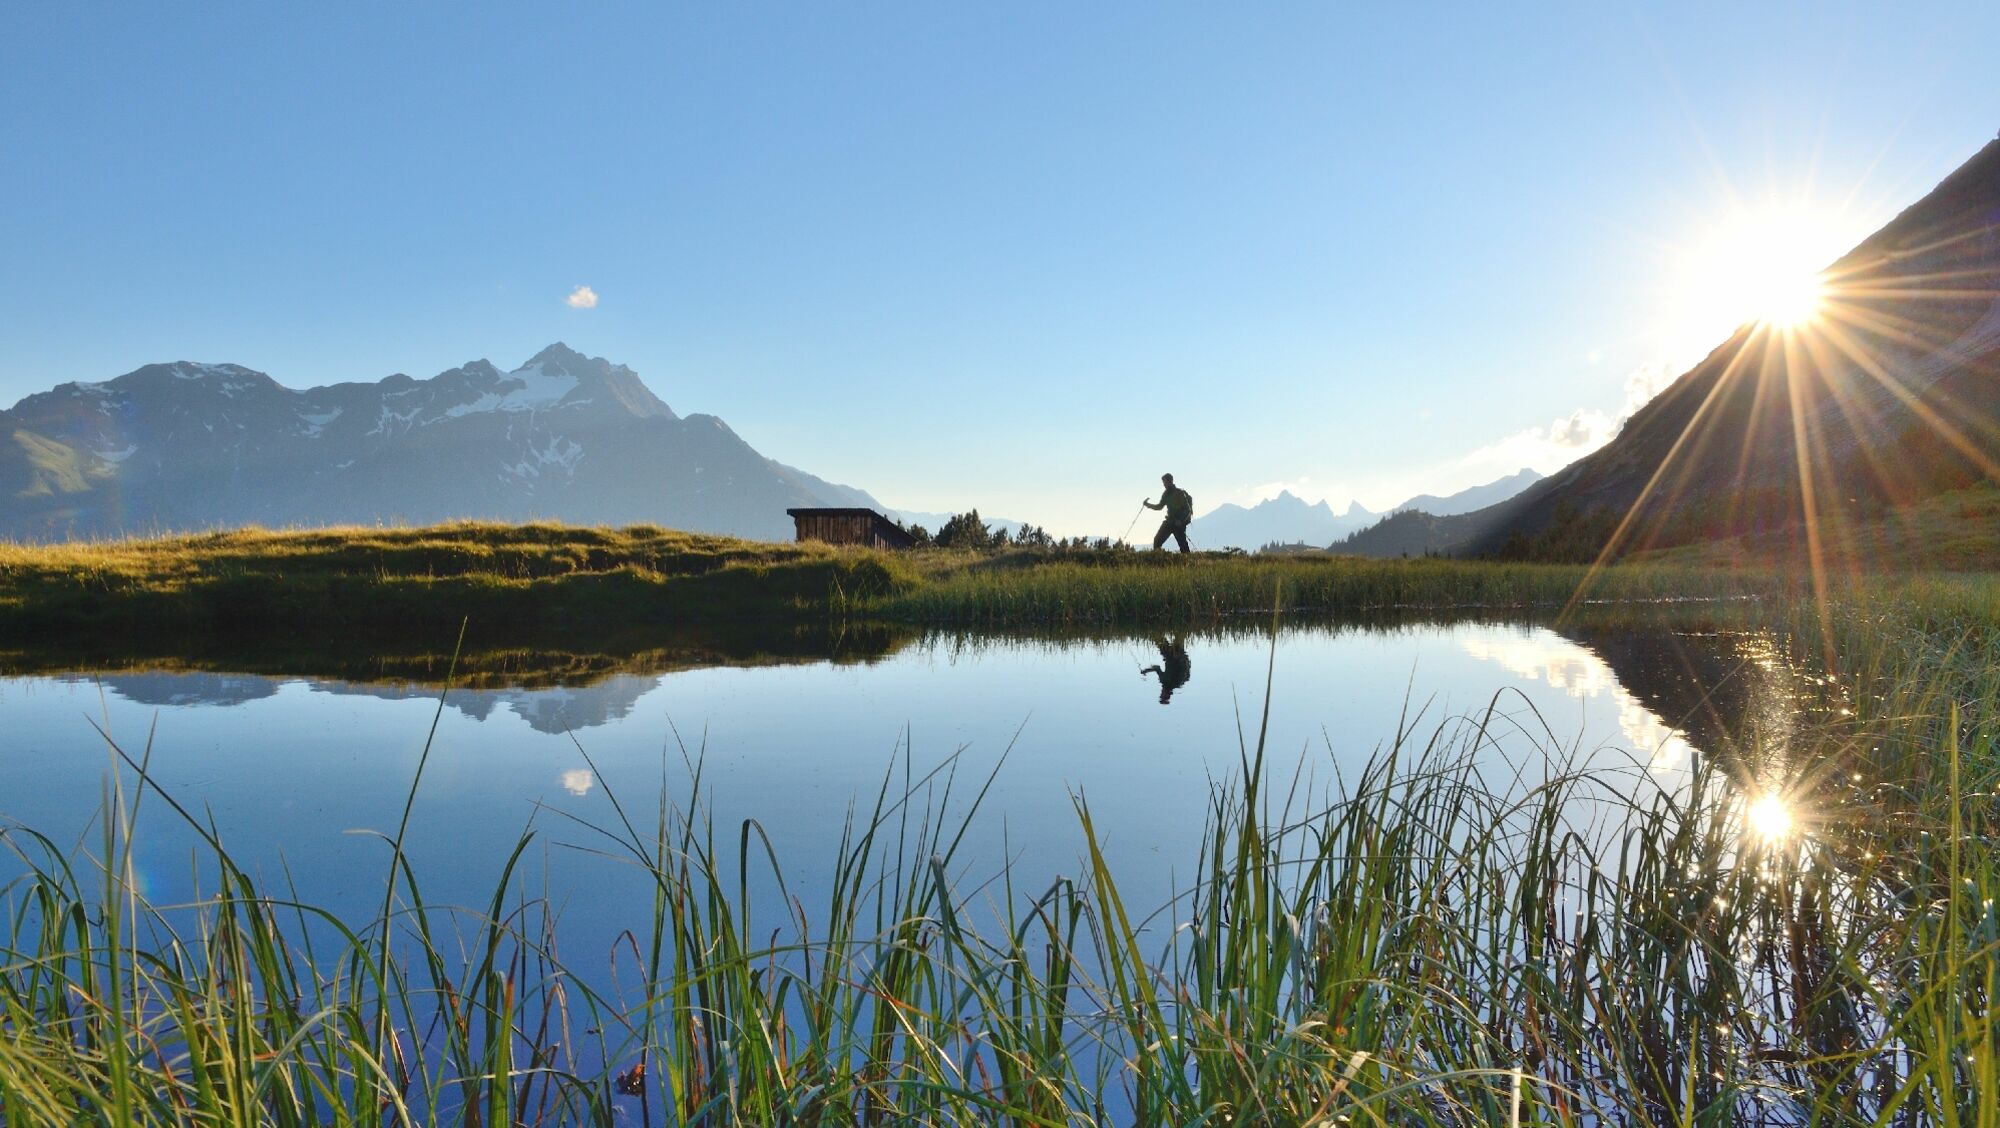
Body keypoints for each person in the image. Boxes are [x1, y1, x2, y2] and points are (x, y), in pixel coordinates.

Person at [1142, 473, 1193, 553]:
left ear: (1171, 481)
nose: (1164, 485)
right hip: (1170, 522)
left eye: (1165, 483)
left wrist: (1181, 521)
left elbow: (1188, 510)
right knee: (1157, 541)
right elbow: (1159, 507)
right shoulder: (1165, 494)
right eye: (1163, 483)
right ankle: (1158, 561)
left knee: (1183, 547)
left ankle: (1188, 563)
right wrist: (1147, 505)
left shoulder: (1179, 493)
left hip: (1179, 524)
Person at [1139, 634, 1192, 704]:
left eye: (1161, 695)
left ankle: (1156, 629)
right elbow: (1185, 669)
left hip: (1168, 656)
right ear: (1168, 695)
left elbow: (1157, 668)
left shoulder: (1163, 681)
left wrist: (1146, 670)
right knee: (1179, 634)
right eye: (1163, 696)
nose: (1161, 693)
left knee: (1158, 638)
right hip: (1178, 655)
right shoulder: (1177, 683)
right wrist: (1180, 657)